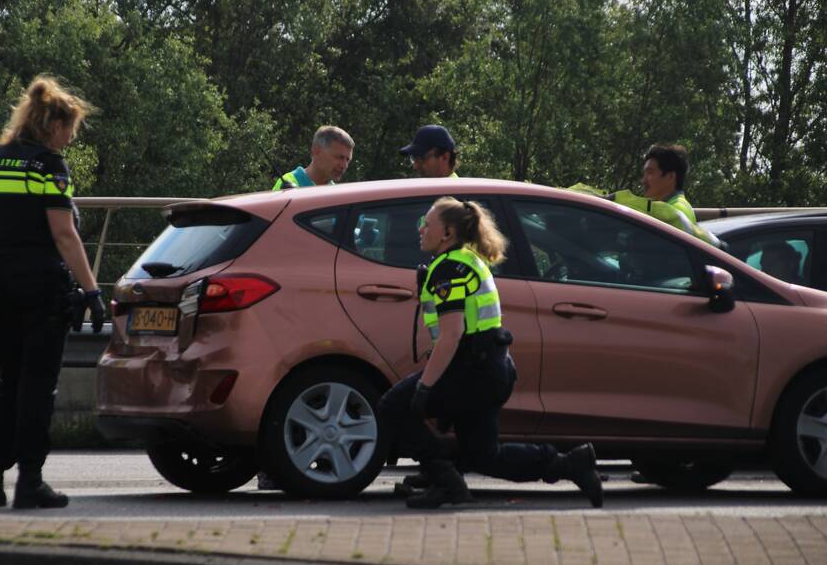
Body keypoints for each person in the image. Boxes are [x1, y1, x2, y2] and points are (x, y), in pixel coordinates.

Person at [379, 197, 603, 509]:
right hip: (488, 368)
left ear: (447, 233)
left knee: (392, 406)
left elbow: (452, 334)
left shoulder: (449, 268)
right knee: (483, 455)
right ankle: (570, 464)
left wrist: (425, 388)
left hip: (471, 371)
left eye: (426, 224)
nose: (420, 229)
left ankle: (445, 481)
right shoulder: (464, 259)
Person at [0, 75, 106, 510]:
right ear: (53, 125)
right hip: (42, 284)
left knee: (9, 380)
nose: (70, 138)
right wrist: (91, 290)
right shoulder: (49, 166)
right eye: (70, 129)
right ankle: (30, 480)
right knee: (38, 386)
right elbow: (64, 234)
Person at [574, 144, 721, 247]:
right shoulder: (669, 206)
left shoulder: (677, 210)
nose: (643, 180)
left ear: (670, 177)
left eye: (650, 173)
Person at [272, 126, 353, 189]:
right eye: (339, 157)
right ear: (316, 151)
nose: (344, 165)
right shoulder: (286, 185)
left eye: (348, 160)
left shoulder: (336, 193)